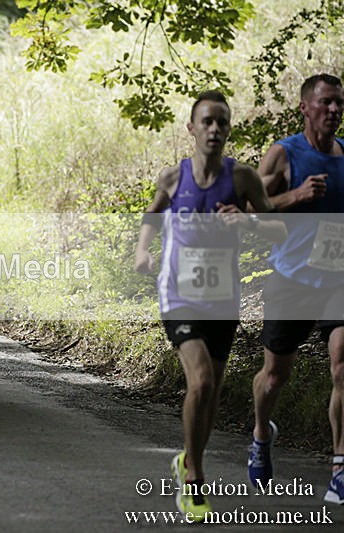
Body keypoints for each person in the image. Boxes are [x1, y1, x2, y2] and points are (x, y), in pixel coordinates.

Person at [134, 91, 285, 521]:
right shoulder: (173, 178)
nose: (214, 129)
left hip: (222, 298)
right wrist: (142, 250)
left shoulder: (243, 179)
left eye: (222, 122)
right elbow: (152, 215)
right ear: (192, 128)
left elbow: (279, 230)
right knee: (200, 382)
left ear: (229, 129)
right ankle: (194, 476)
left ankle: (189, 458)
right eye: (207, 121)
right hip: (178, 294)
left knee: (212, 391)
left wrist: (247, 220)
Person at [247, 73, 344, 505]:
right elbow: (249, 209)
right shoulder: (284, 154)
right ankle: (260, 434)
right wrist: (296, 196)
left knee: (342, 365)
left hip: (338, 279)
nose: (334, 110)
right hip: (292, 279)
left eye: (339, 103)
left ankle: (340, 468)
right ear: (304, 107)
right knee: (274, 377)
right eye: (326, 102)